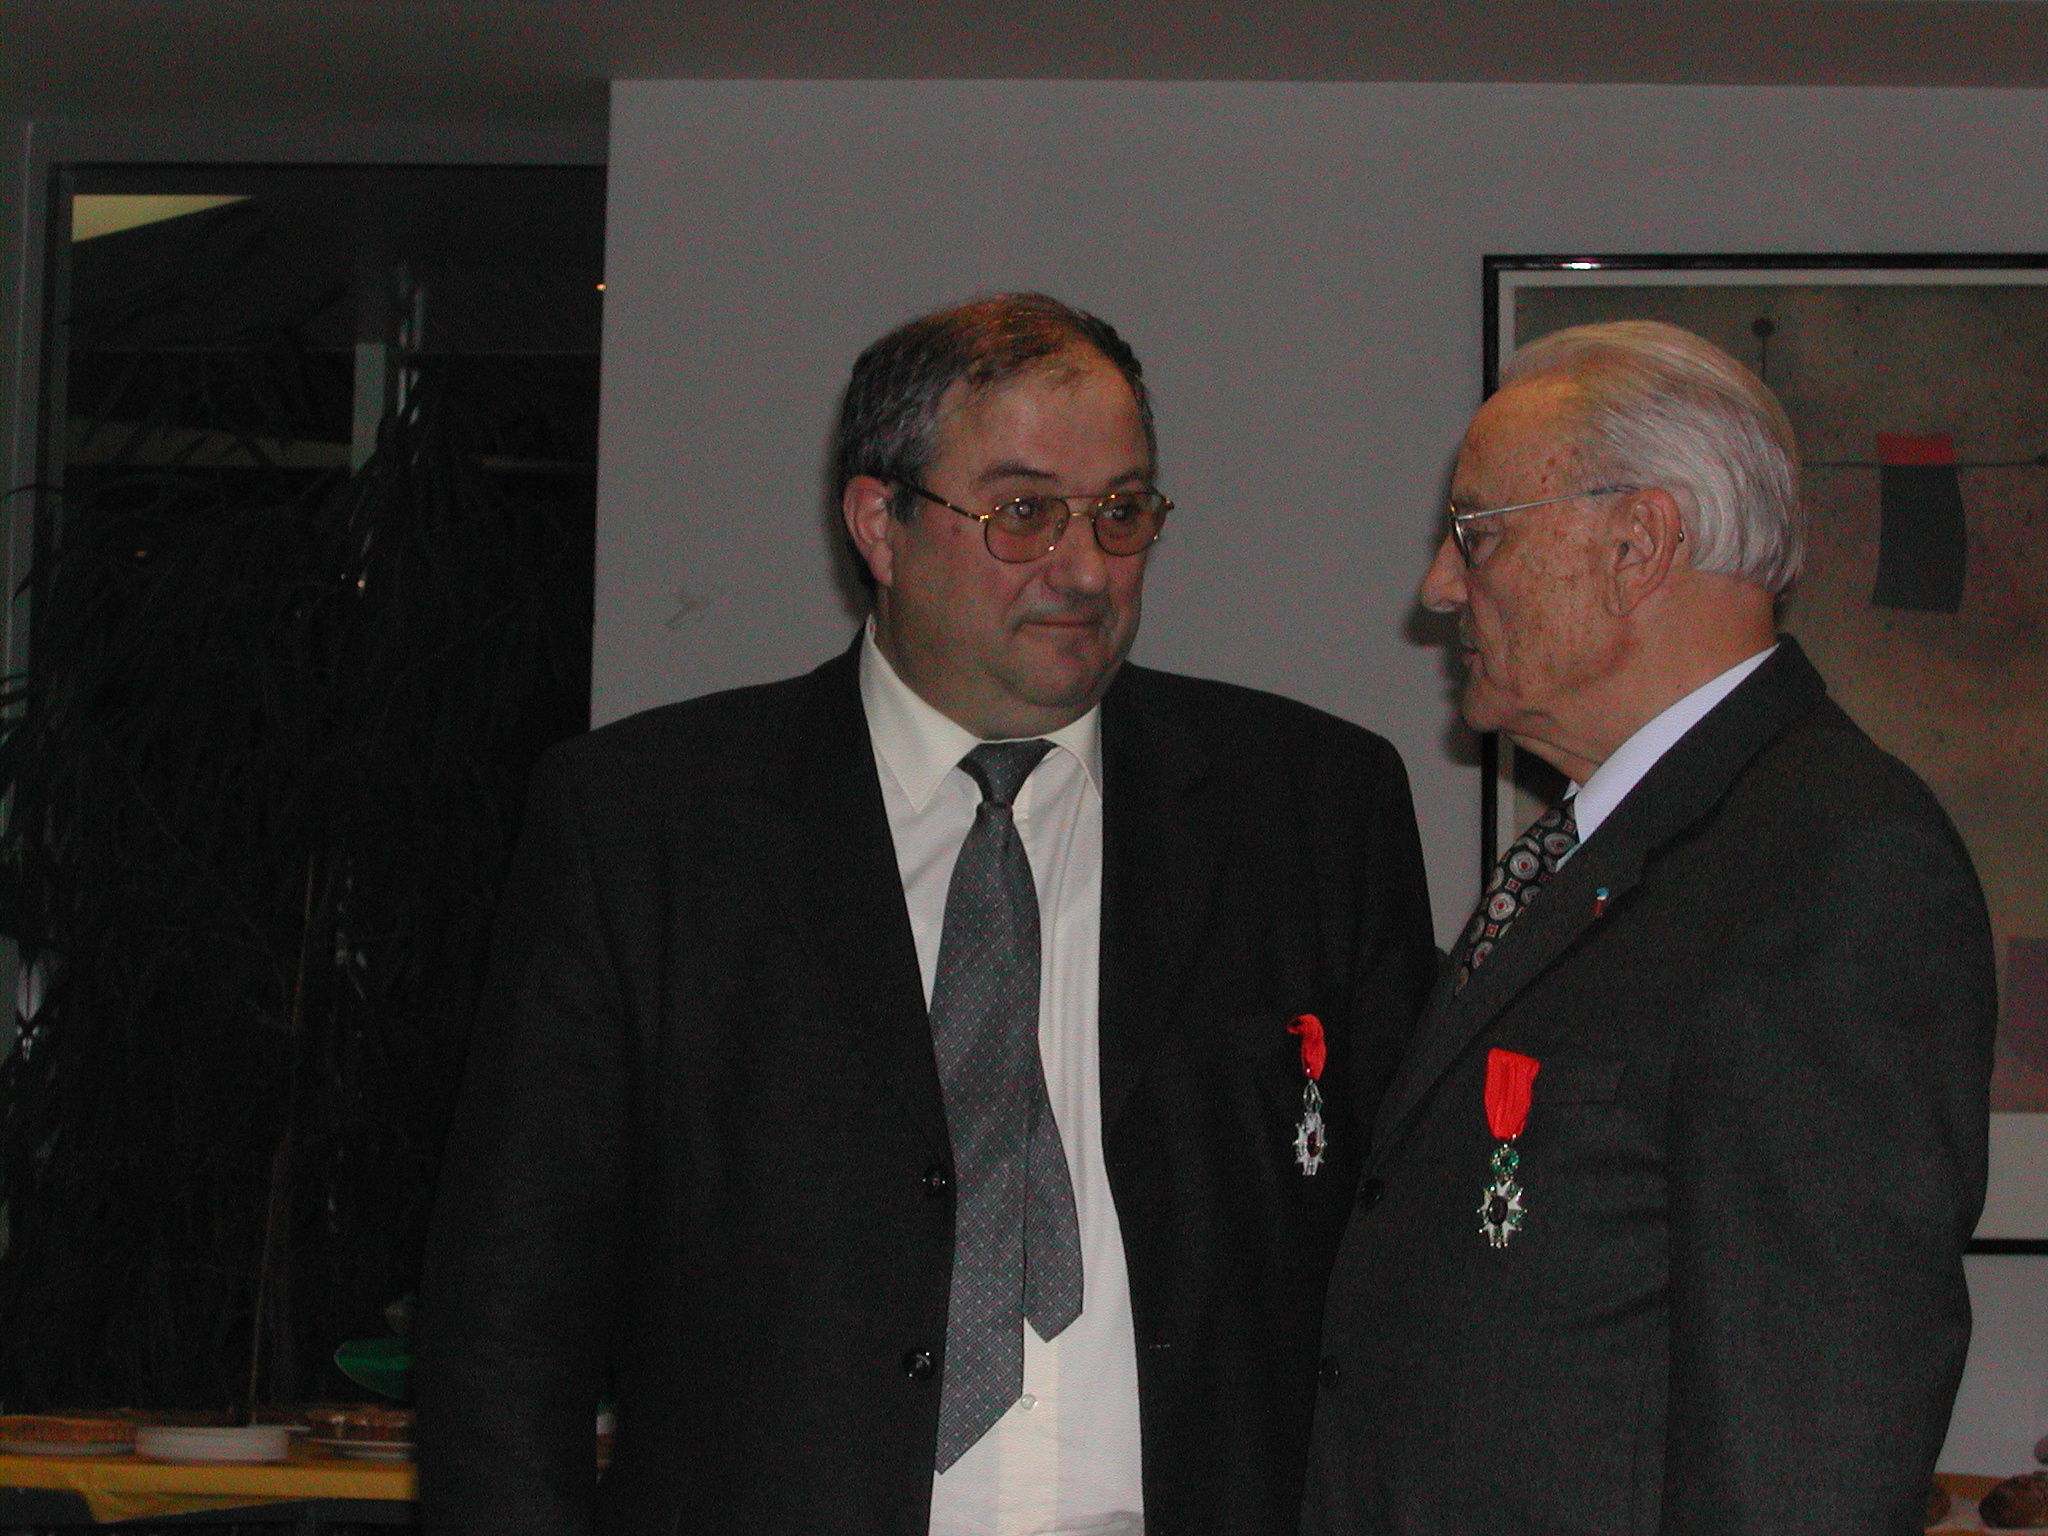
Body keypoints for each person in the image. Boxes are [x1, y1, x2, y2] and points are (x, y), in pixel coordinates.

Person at [417, 292, 1437, 1536]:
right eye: (1023, 513)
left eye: (1120, 511)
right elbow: (507, 1318)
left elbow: (1407, 1271)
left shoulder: (1307, 810)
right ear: (879, 526)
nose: (1083, 568)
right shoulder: (650, 824)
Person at [1301, 320, 1996, 1535]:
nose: (1440, 586)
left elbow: (1811, 1440)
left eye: (1476, 532)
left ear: (1635, 545)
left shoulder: (1829, 865)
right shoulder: (1619, 844)